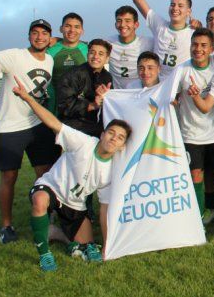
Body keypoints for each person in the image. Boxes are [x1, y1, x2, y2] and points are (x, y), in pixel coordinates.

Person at [11, 76, 131, 271]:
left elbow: (104, 209)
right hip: (52, 187)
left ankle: (54, 233)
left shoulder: (111, 171)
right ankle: (44, 255)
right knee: (40, 200)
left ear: (122, 146)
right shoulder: (83, 142)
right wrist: (28, 98)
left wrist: (107, 246)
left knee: (87, 245)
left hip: (75, 204)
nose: (113, 138)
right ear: (102, 134)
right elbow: (53, 123)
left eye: (119, 138)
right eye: (111, 133)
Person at [0, 14, 61, 244]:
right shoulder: (15, 56)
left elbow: (59, 41)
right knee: (9, 177)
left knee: (45, 175)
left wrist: (56, 40)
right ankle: (6, 225)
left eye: (44, 33)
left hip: (38, 125)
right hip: (10, 127)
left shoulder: (49, 60)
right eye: (35, 32)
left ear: (50, 38)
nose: (40, 36)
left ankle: (46, 217)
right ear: (29, 36)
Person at [173, 28, 214, 230]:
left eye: (203, 45)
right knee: (196, 175)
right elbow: (168, 96)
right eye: (194, 44)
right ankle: (198, 218)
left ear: (212, 49)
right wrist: (173, 101)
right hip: (192, 134)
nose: (198, 49)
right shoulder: (181, 70)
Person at [128, 0, 194, 77]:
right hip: (158, 84)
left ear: (188, 11)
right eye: (172, 4)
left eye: (180, 6)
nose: (175, 8)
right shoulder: (159, 24)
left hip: (180, 86)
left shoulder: (193, 32)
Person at [56, 39, 114, 137]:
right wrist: (92, 105)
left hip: (97, 128)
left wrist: (106, 99)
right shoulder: (73, 74)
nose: (95, 57)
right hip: (73, 128)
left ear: (107, 58)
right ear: (87, 55)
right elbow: (64, 104)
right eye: (92, 52)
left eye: (100, 54)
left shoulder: (107, 77)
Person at [46, 12, 88, 113]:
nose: (72, 30)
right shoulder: (49, 50)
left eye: (76, 27)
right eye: (68, 26)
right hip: (55, 105)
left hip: (80, 106)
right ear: (61, 29)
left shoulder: (89, 50)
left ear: (82, 31)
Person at [106, 5, 154, 89]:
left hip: (140, 94)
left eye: (127, 21)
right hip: (118, 95)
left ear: (136, 24)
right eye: (119, 21)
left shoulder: (149, 43)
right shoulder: (108, 43)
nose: (122, 24)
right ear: (115, 24)